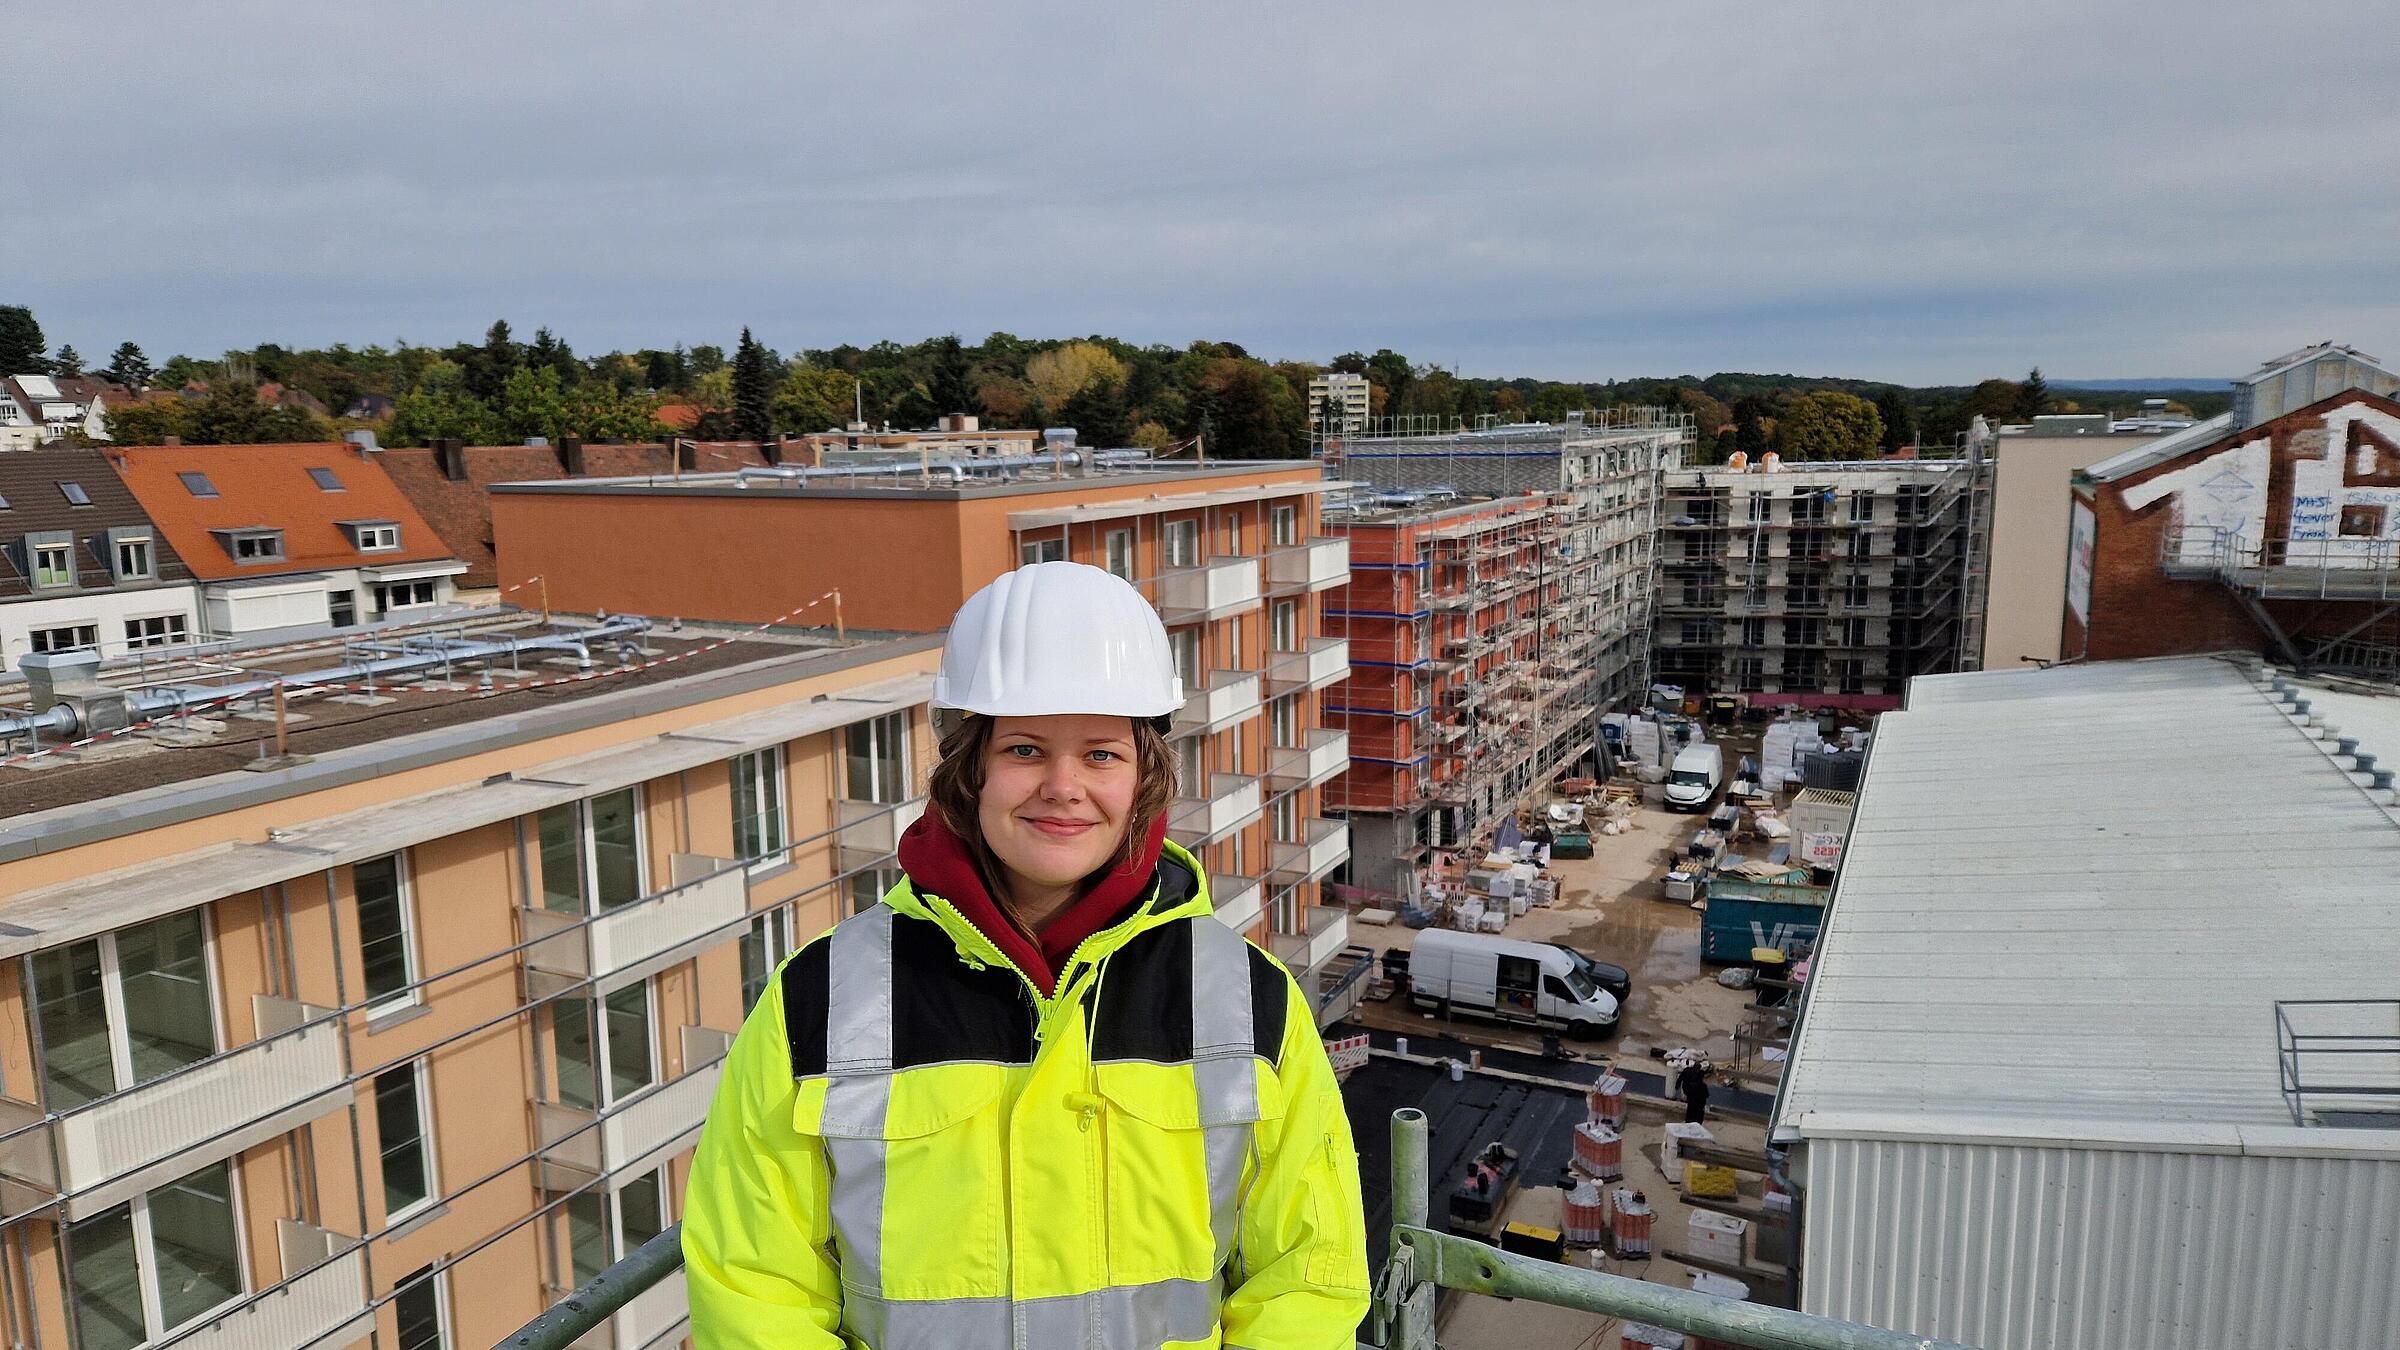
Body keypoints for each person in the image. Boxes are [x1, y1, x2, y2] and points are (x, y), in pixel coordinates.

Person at [683, 561, 1371, 1349]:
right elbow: (752, 1286)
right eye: (1025, 749)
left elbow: (1309, 1278)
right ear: (968, 767)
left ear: (1146, 773)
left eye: (1102, 754)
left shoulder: (1250, 999)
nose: (1064, 786)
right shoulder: (822, 999)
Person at [1677, 1058, 1712, 1125]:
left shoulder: (1687, 1071)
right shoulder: (1703, 1085)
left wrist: (1677, 1086)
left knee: (1690, 1112)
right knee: (1698, 1115)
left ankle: (1688, 1122)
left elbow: (1680, 1078)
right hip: (1699, 1105)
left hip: (1690, 1098)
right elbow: (1707, 1095)